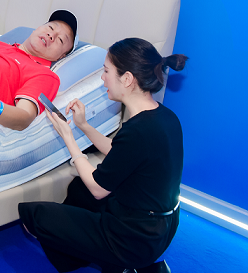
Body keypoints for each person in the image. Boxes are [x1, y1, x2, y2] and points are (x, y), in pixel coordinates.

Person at [18, 38, 187, 273]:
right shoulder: (165, 117)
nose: (103, 78)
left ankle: (121, 264)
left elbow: (98, 188)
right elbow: (122, 153)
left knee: (34, 215)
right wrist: (83, 126)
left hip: (135, 237)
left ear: (127, 79)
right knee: (79, 189)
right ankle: (95, 258)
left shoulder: (138, 130)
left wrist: (68, 137)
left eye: (107, 71)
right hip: (161, 227)